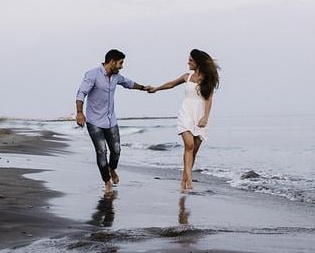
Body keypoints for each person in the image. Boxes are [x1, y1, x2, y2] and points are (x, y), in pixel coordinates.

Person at [76, 49, 150, 192]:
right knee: (101, 151)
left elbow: (128, 83)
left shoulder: (116, 76)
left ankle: (112, 169)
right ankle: (107, 182)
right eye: (120, 63)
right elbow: (81, 93)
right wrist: (79, 113)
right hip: (94, 121)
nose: (122, 66)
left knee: (116, 151)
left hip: (111, 121)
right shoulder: (92, 74)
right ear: (112, 61)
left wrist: (143, 88)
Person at [147, 49, 220, 191]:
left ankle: (183, 182)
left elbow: (209, 99)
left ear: (198, 62)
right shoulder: (187, 77)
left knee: (193, 152)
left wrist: (205, 118)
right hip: (185, 114)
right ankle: (190, 180)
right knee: (189, 145)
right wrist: (156, 88)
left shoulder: (208, 79)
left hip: (199, 117)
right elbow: (171, 84)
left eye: (190, 60)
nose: (188, 62)